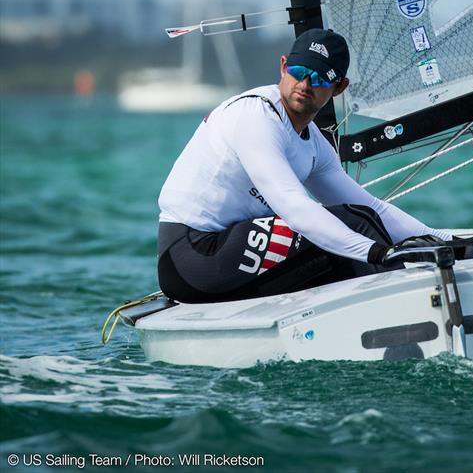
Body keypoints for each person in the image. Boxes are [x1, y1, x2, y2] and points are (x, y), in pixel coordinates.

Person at [156, 28, 451, 303]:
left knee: (358, 221)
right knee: (352, 226)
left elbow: (372, 207)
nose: (305, 84)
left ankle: (400, 299)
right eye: (299, 72)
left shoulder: (314, 145)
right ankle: (412, 303)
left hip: (231, 254)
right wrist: (378, 252)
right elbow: (295, 208)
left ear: (339, 87)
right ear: (284, 66)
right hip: (192, 258)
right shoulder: (254, 116)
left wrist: (447, 241)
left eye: (321, 78)